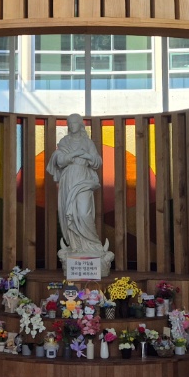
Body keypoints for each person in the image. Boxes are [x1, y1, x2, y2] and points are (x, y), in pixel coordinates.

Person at [48, 114, 111, 272]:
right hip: (68, 179)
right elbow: (60, 161)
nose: (71, 125)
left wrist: (87, 155)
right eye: (69, 123)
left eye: (74, 122)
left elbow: (97, 162)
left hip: (84, 178)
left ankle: (93, 245)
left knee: (83, 213)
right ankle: (76, 246)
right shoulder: (64, 142)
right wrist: (75, 154)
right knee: (70, 213)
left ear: (80, 124)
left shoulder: (88, 142)